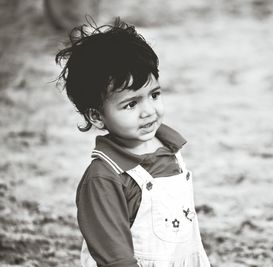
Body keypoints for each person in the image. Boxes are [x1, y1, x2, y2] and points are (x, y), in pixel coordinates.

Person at [55, 18, 211, 267]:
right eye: (131, 104)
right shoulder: (104, 178)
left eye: (154, 95)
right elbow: (115, 259)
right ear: (96, 116)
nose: (148, 111)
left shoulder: (170, 150)